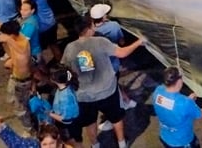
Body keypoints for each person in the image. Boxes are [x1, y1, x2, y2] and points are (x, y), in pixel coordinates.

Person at [61, 16, 145, 148]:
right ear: (88, 28)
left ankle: (95, 144)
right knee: (116, 118)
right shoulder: (100, 41)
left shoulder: (69, 48)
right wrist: (138, 42)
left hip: (84, 96)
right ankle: (122, 143)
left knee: (90, 122)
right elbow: (122, 53)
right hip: (107, 92)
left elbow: (65, 69)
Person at [152, 67, 202, 148]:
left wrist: (188, 100)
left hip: (165, 137)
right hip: (182, 142)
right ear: (179, 81)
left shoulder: (158, 90)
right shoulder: (185, 103)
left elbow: (170, 104)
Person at [0, 116, 73, 148]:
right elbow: (15, 143)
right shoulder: (33, 146)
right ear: (39, 142)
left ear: (57, 139)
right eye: (44, 144)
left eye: (52, 143)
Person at [48, 67, 80, 146]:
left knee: (72, 142)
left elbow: (67, 120)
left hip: (69, 126)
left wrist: (50, 114)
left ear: (56, 80)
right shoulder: (66, 86)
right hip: (67, 122)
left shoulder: (65, 98)